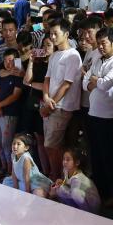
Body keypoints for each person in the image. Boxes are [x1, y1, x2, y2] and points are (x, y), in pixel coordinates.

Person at [83, 27, 113, 207]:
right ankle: (99, 191)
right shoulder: (97, 59)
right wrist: (95, 81)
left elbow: (106, 84)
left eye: (104, 43)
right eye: (98, 43)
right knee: (96, 155)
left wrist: (96, 81)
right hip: (93, 114)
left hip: (109, 117)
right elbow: (85, 83)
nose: (100, 47)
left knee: (109, 156)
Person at [41, 20, 83, 181]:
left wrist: (50, 104)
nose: (52, 37)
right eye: (50, 33)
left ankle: (57, 177)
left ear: (66, 34)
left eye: (55, 34)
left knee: (51, 145)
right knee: (51, 145)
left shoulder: (73, 55)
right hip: (51, 104)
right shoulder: (54, 55)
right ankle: (56, 176)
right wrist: (46, 98)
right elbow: (47, 79)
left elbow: (67, 84)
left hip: (62, 107)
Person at [0, 48, 25, 177]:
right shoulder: (3, 75)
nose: (8, 63)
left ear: (16, 60)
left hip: (10, 113)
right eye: (5, 60)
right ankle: (3, 166)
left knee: (7, 143)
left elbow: (15, 96)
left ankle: (11, 171)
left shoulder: (18, 77)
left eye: (10, 60)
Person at [50, 146, 101, 212]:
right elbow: (68, 184)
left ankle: (86, 213)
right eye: (64, 159)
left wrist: (58, 190)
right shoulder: (66, 170)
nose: (64, 162)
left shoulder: (78, 178)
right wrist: (61, 182)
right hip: (80, 197)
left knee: (67, 192)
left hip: (91, 204)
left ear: (77, 163)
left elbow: (74, 193)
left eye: (68, 160)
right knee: (61, 190)